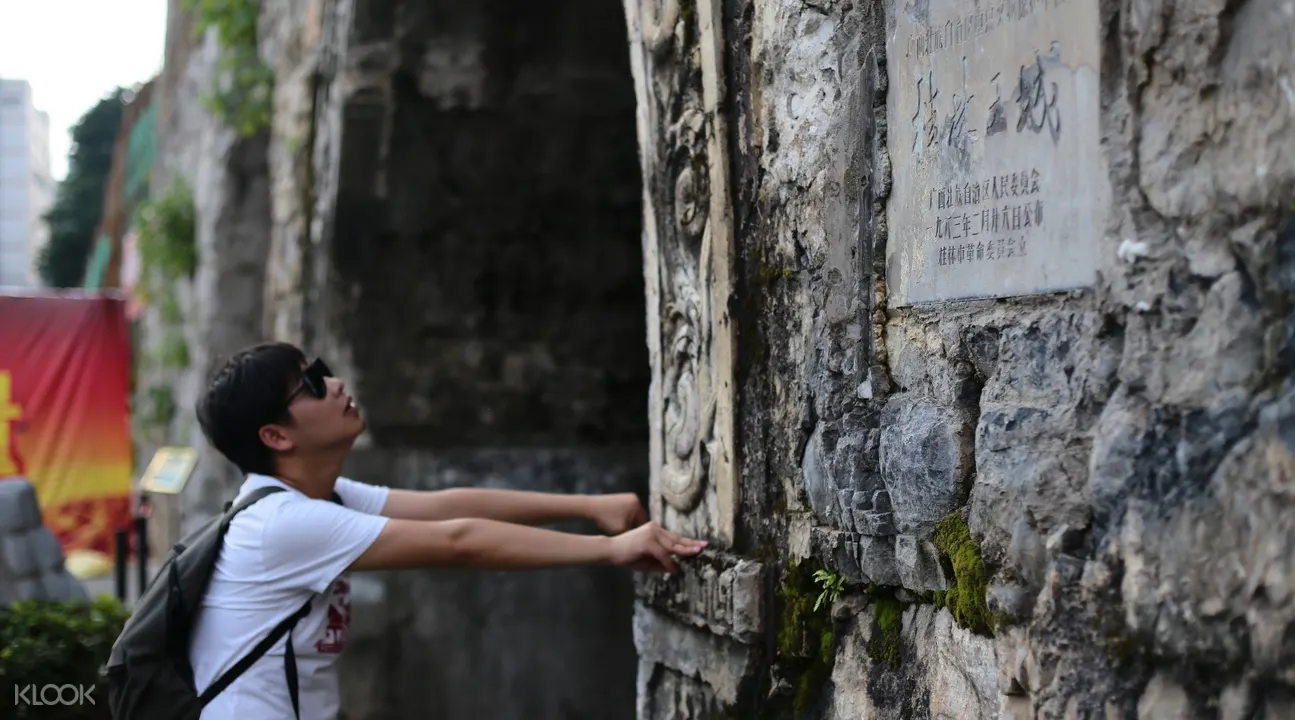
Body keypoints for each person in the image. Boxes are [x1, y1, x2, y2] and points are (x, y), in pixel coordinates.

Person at [189, 341, 705, 719]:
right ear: (276, 435)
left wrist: (591, 506)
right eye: (311, 385)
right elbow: (459, 542)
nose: (337, 383)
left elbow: (444, 507)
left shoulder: (321, 495)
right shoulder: (283, 524)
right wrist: (611, 550)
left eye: (321, 370)